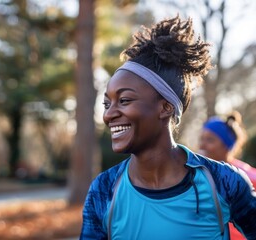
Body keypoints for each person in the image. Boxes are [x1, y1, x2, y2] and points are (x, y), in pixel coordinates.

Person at [80, 15, 256, 240]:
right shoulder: (103, 190)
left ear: (165, 108)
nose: (109, 114)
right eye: (107, 103)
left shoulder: (222, 182)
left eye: (124, 100)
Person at [199, 112, 256, 240]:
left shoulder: (248, 176)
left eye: (210, 140)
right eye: (201, 139)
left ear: (227, 145)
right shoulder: (195, 174)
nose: (202, 145)